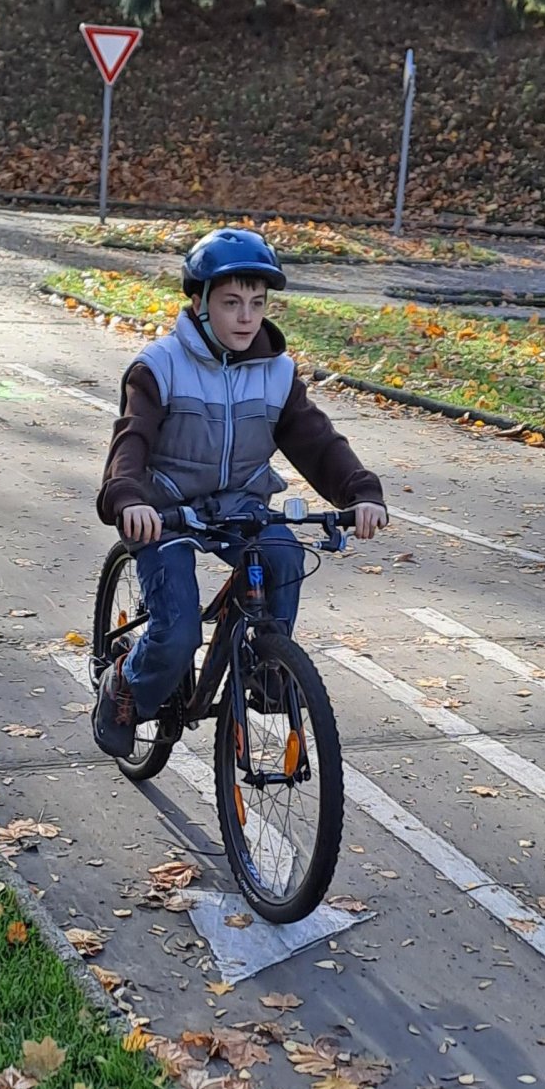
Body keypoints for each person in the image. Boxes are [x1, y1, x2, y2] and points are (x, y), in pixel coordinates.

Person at [93, 226, 389, 759]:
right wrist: (128, 498)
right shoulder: (159, 367)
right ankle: (126, 685)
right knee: (179, 633)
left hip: (240, 507)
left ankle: (268, 664)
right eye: (231, 303)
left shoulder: (276, 373)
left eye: (257, 303)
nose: (247, 317)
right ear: (200, 303)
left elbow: (318, 442)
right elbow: (132, 439)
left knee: (284, 556)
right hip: (164, 510)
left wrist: (360, 492)